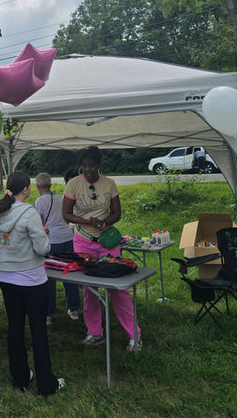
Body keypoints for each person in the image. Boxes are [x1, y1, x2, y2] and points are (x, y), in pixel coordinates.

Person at [0, 172, 65, 397]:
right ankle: (46, 385)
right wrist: (45, 236)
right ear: (25, 189)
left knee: (15, 328)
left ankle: (20, 379)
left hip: (6, 278)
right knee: (38, 330)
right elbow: (42, 249)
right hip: (31, 279)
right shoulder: (29, 212)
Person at [62, 146, 141, 351]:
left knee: (118, 288)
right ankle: (95, 332)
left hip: (107, 240)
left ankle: (134, 334)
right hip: (83, 240)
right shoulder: (73, 184)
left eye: (91, 166)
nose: (87, 170)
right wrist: (88, 221)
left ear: (99, 165)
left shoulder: (109, 184)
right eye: (84, 166)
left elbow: (117, 213)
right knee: (89, 289)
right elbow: (66, 214)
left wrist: (104, 222)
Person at [35, 172, 80, 324]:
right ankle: (74, 308)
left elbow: (39, 223)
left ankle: (48, 312)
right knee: (70, 272)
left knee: (48, 276)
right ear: (50, 184)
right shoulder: (60, 198)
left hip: (51, 239)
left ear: (38, 186)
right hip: (67, 237)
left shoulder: (40, 201)